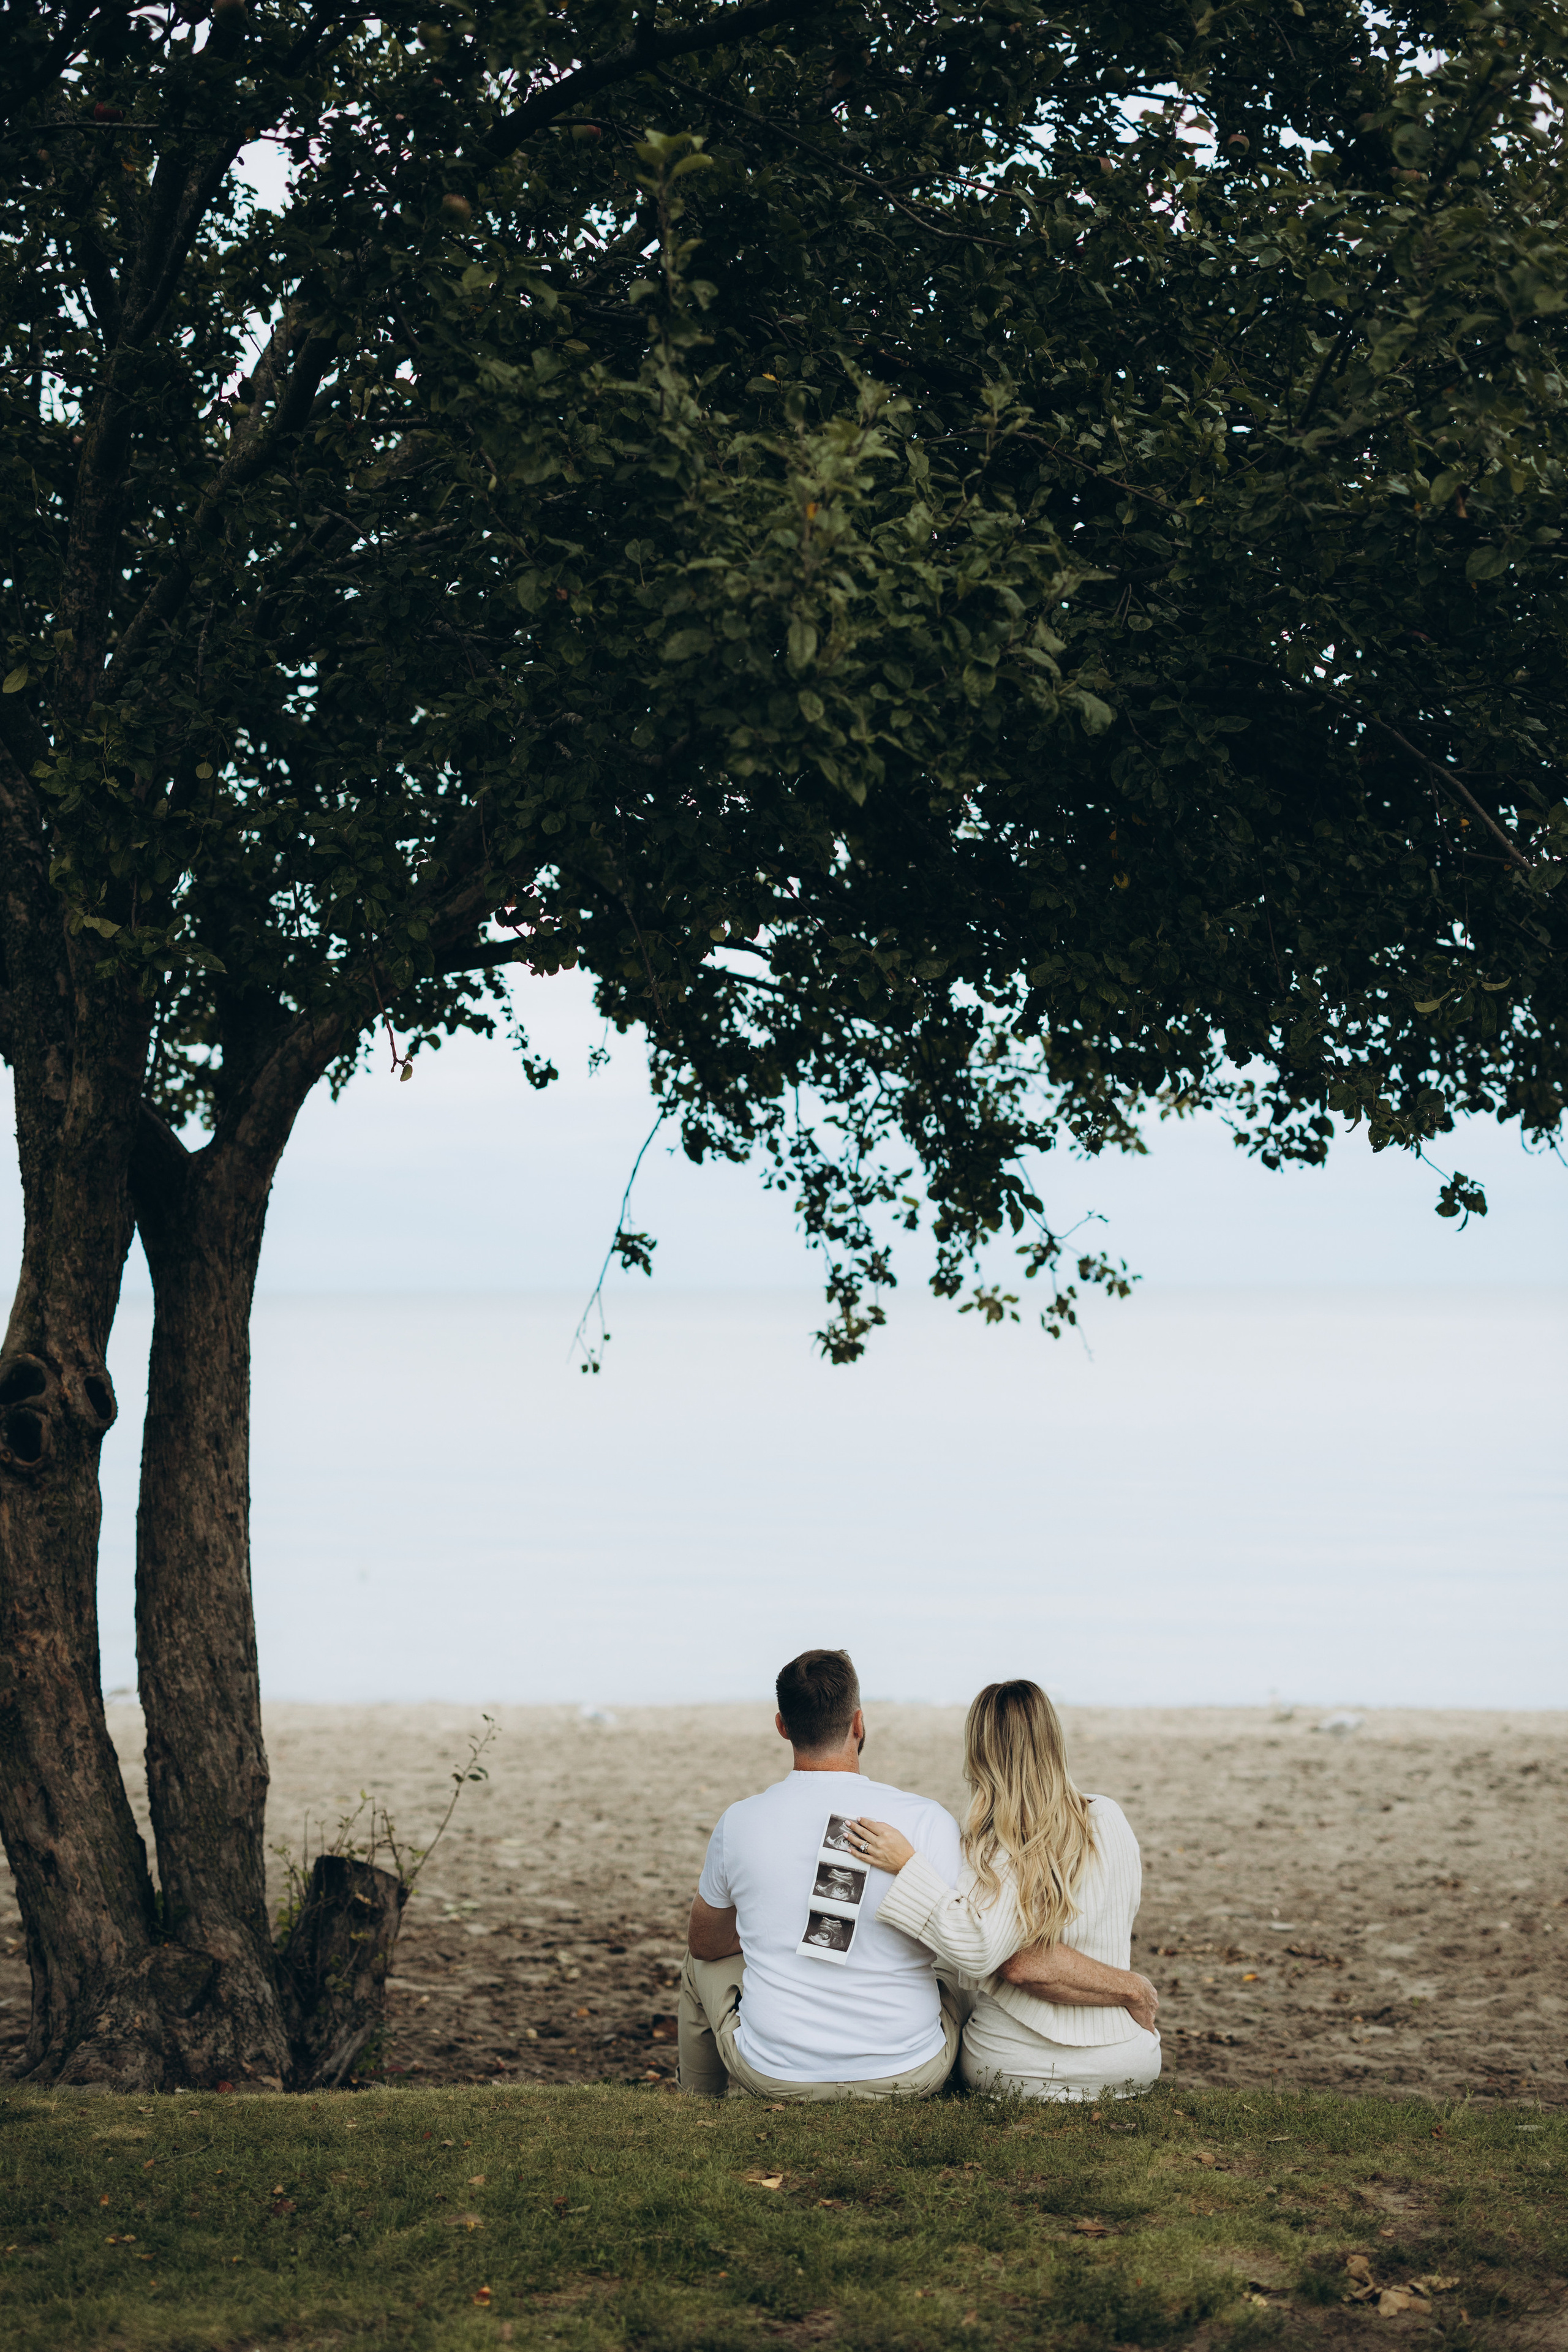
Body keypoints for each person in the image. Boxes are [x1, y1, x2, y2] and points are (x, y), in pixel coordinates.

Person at [847, 1679, 1161, 2101]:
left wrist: (907, 1867)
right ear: (1053, 1740)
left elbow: (1001, 1956)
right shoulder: (1110, 1818)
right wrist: (1132, 1988)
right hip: (1127, 2060)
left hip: (1017, 2066)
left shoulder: (994, 1846)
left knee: (942, 1968)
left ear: (979, 1752)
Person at [677, 1648, 965, 2100]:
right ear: (858, 1724)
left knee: (696, 1965)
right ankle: (970, 2087)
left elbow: (706, 1944)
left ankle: (697, 2103)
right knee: (961, 1959)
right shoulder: (928, 1819)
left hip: (779, 2076)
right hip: (907, 2074)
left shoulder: (740, 1821)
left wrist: (773, 1935)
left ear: (782, 1726)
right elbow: (958, 1940)